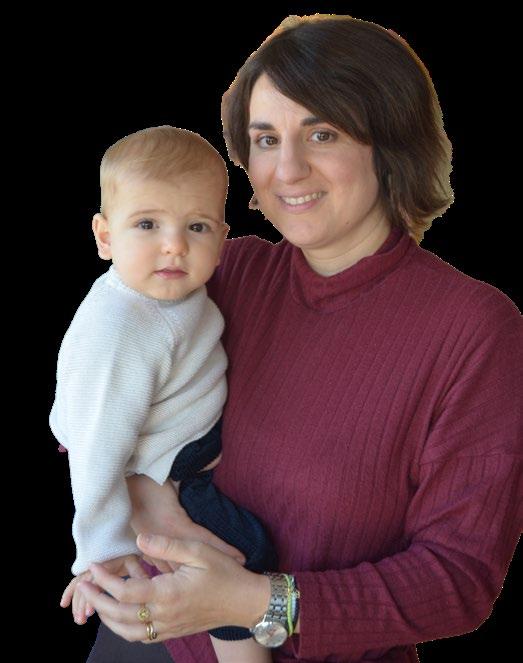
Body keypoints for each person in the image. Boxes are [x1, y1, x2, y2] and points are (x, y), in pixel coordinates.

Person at [79, 14, 522, 663]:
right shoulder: (222, 272)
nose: (286, 168)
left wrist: (259, 603)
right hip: (146, 637)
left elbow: (459, 578)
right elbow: (92, 392)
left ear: (390, 143)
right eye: (265, 138)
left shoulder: (472, 327)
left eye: (322, 133)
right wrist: (148, 504)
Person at [50, 125, 278, 663]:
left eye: (196, 226)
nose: (174, 244)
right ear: (105, 236)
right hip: (166, 465)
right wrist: (103, 551)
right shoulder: (122, 327)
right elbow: (96, 447)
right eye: (147, 224)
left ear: (221, 238)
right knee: (242, 554)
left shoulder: (164, 291)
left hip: (175, 444)